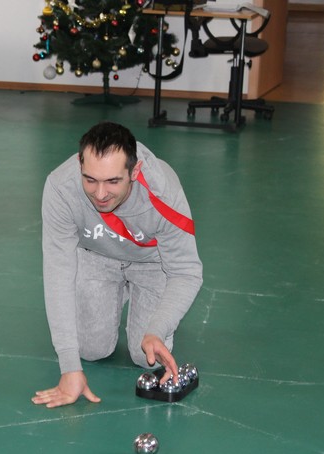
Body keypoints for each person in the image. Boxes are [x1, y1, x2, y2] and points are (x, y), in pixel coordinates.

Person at [32, 122, 202, 408]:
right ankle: (114, 293)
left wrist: (157, 328)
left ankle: (141, 302)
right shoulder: (61, 188)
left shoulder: (163, 191)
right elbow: (58, 272)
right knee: (90, 350)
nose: (100, 194)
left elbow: (186, 273)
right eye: (90, 179)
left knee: (145, 357)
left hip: (151, 263)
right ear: (80, 164)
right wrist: (69, 367)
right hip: (96, 256)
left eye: (112, 181)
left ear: (134, 172)